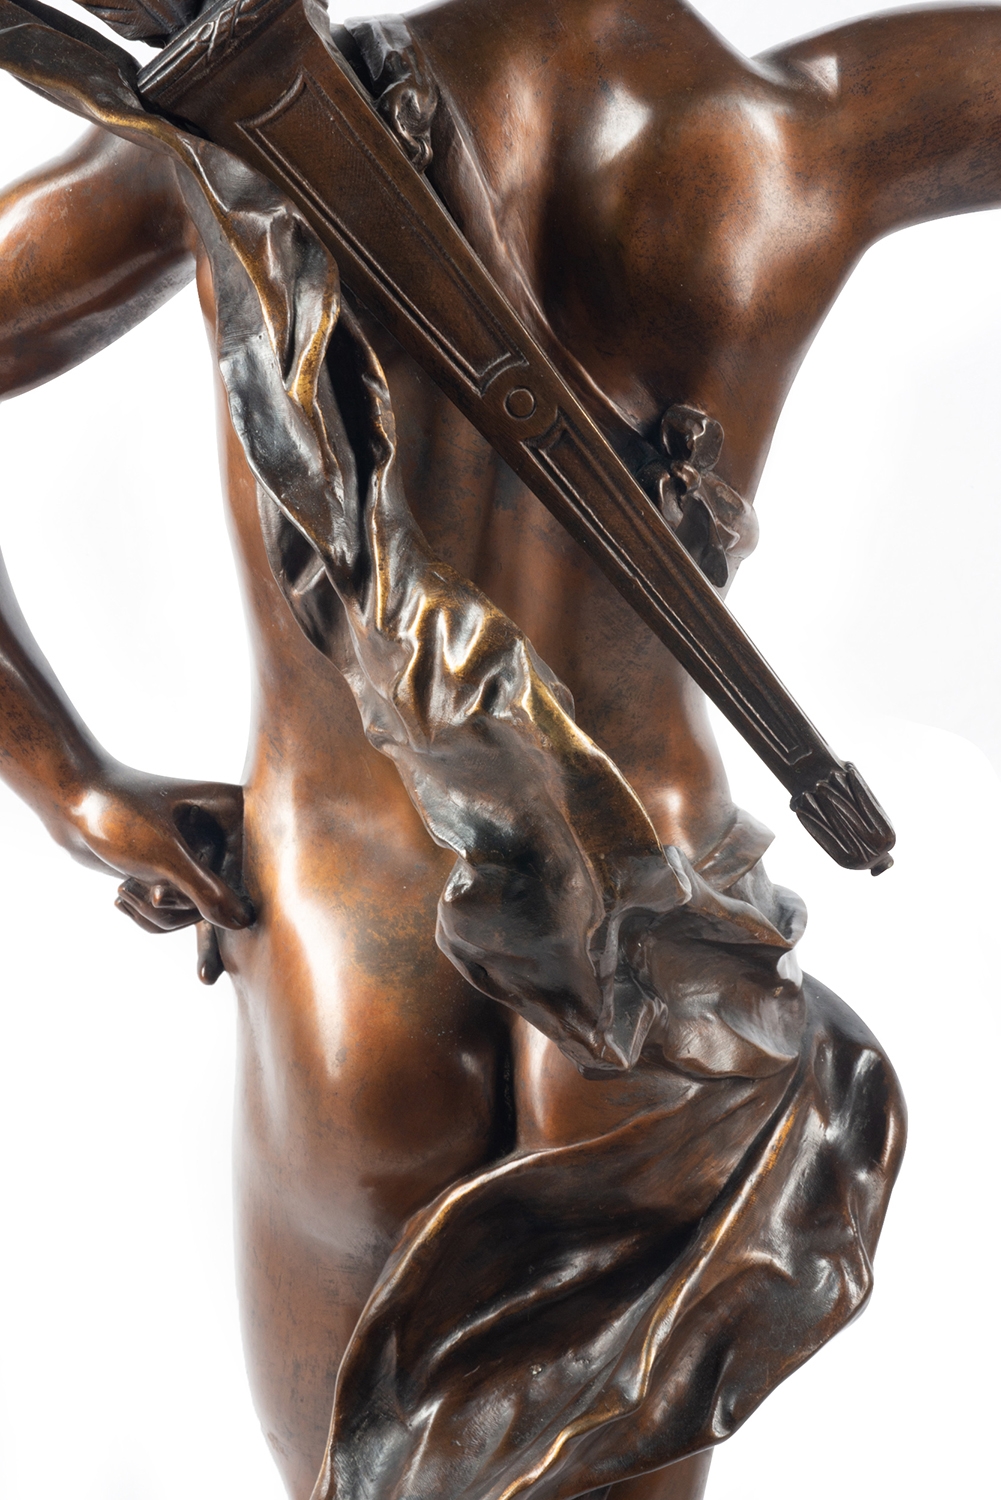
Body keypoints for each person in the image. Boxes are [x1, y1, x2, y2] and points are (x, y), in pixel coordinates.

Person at [0, 2, 997, 1496]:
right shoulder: (804, 129)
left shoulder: (242, 124)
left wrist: (72, 789)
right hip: (669, 973)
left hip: (354, 950)